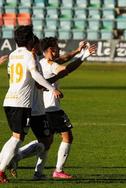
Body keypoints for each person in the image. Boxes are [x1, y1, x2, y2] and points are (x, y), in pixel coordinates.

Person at [0, 25, 62, 183]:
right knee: (17, 138)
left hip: (9, 100)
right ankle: (1, 170)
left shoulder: (13, 55)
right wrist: (51, 89)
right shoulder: (29, 55)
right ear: (29, 40)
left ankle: (5, 166)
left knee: (16, 137)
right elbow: (34, 74)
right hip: (21, 102)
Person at [39, 37, 95, 179]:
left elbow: (64, 59)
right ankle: (58, 170)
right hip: (52, 108)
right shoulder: (51, 64)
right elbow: (66, 69)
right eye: (55, 48)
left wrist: (77, 50)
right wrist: (83, 56)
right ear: (48, 50)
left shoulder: (42, 62)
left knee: (46, 141)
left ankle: (34, 169)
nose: (57, 50)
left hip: (43, 107)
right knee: (67, 136)